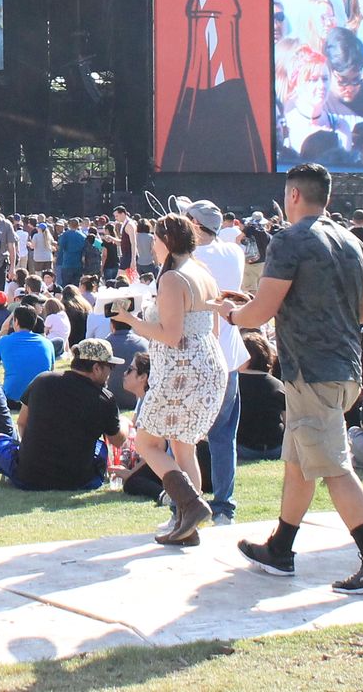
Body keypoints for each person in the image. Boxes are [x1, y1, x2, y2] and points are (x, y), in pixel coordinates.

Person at [226, 163, 363, 594]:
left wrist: (230, 314)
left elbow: (261, 311)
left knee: (335, 467)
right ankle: (280, 548)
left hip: (311, 371)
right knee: (300, 461)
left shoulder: (289, 240)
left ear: (294, 196)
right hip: (347, 368)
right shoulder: (353, 241)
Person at [121, 214, 228, 545]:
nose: (152, 246)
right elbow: (214, 324)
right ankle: (186, 524)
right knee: (184, 448)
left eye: (154, 239)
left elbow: (170, 335)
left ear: (166, 241)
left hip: (182, 369)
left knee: (147, 443)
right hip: (208, 364)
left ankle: (190, 505)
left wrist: (130, 321)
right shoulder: (202, 272)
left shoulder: (172, 279)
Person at [179, 198, 248, 526]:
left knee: (182, 435)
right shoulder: (232, 252)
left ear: (194, 224)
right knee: (223, 436)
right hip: (229, 354)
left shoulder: (191, 258)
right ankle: (224, 506)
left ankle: (184, 505)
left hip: (199, 353)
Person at [0, 339, 128, 491]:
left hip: (28, 477)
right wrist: (124, 423)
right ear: (96, 368)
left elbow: (22, 422)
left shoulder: (42, 380)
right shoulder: (104, 398)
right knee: (100, 448)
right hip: (78, 480)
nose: (110, 373)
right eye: (110, 367)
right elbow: (117, 440)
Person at [0, 301, 56, 409]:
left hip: (11, 400)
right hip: (40, 400)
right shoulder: (47, 343)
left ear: (16, 322)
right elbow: (50, 373)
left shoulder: (4, 341)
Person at [236, 331, 285, 459]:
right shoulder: (278, 385)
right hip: (275, 448)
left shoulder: (233, 385)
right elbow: (287, 420)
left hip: (243, 446)